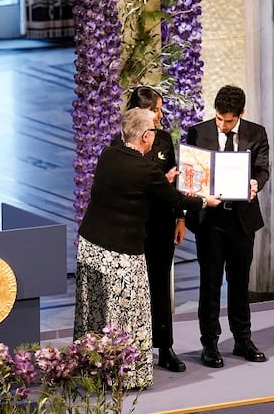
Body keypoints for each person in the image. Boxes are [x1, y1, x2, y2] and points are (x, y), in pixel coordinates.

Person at [74, 107, 220, 388]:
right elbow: (174, 199)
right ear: (145, 136)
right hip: (122, 253)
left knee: (95, 310)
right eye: (153, 130)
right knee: (129, 312)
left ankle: (92, 366)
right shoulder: (146, 169)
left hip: (91, 245)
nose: (155, 135)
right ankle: (126, 375)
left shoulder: (108, 154)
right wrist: (205, 201)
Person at [185, 85, 270, 367]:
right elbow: (191, 174)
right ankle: (209, 343)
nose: (223, 126)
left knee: (239, 283)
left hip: (242, 220)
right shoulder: (198, 133)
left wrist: (256, 183)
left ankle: (242, 339)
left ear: (241, 114)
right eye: (220, 119)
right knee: (209, 284)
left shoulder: (256, 133)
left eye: (229, 121)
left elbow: (262, 169)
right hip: (210, 221)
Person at [110, 86, 188, 373]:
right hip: (131, 228)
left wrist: (180, 218)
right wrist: (159, 183)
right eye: (157, 109)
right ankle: (132, 349)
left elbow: (177, 182)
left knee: (159, 286)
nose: (160, 114)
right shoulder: (117, 147)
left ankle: (165, 347)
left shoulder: (165, 140)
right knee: (131, 289)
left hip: (161, 225)